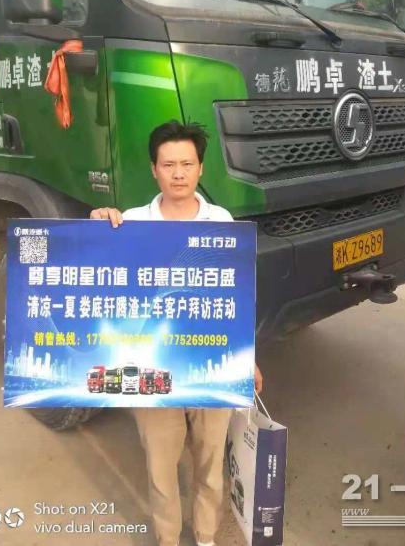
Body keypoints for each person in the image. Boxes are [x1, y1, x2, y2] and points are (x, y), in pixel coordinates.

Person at [91, 120, 263, 546]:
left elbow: (236, 298)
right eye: (169, 165)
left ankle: (205, 537)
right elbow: (99, 278)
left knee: (210, 463)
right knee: (160, 467)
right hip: (151, 369)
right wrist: (97, 224)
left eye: (187, 164)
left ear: (201, 168)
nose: (179, 174)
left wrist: (249, 357)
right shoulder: (130, 223)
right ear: (154, 170)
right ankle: (168, 538)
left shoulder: (222, 222)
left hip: (211, 364)